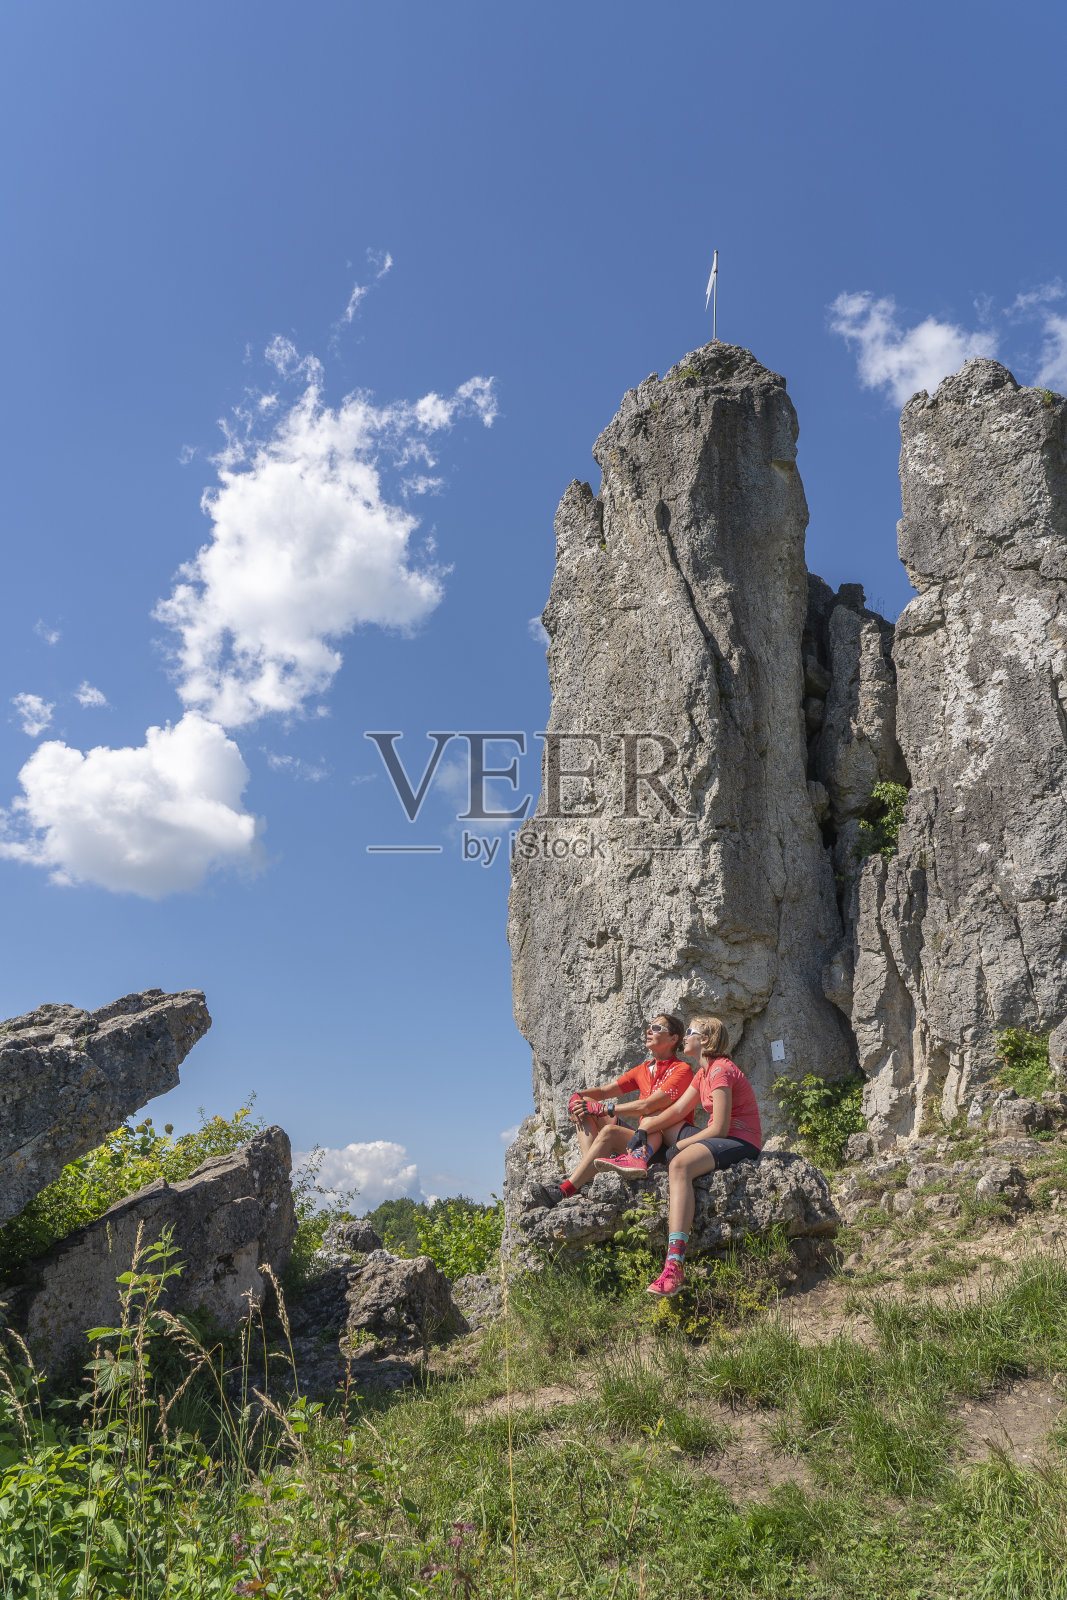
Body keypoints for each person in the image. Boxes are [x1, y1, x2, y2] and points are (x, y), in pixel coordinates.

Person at [641, 1015, 762, 1298]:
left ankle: (674, 1265)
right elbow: (676, 1111)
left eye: (690, 1032)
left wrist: (680, 1147)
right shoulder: (703, 1072)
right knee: (665, 1125)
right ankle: (640, 1158)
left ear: (704, 1040)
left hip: (740, 1141)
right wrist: (644, 1130)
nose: (685, 1037)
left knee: (680, 1165)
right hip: (720, 1138)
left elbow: (720, 1128)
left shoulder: (720, 1070)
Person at [527, 1014, 695, 1209]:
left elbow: (647, 1106)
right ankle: (589, 1177)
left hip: (662, 1149)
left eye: (657, 1028)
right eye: (650, 1027)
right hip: (641, 1138)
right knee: (584, 1105)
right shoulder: (644, 1069)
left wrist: (605, 1108)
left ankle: (564, 1190)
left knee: (610, 1130)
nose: (649, 1031)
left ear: (673, 1038)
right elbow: (604, 1091)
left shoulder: (682, 1070)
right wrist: (577, 1097)